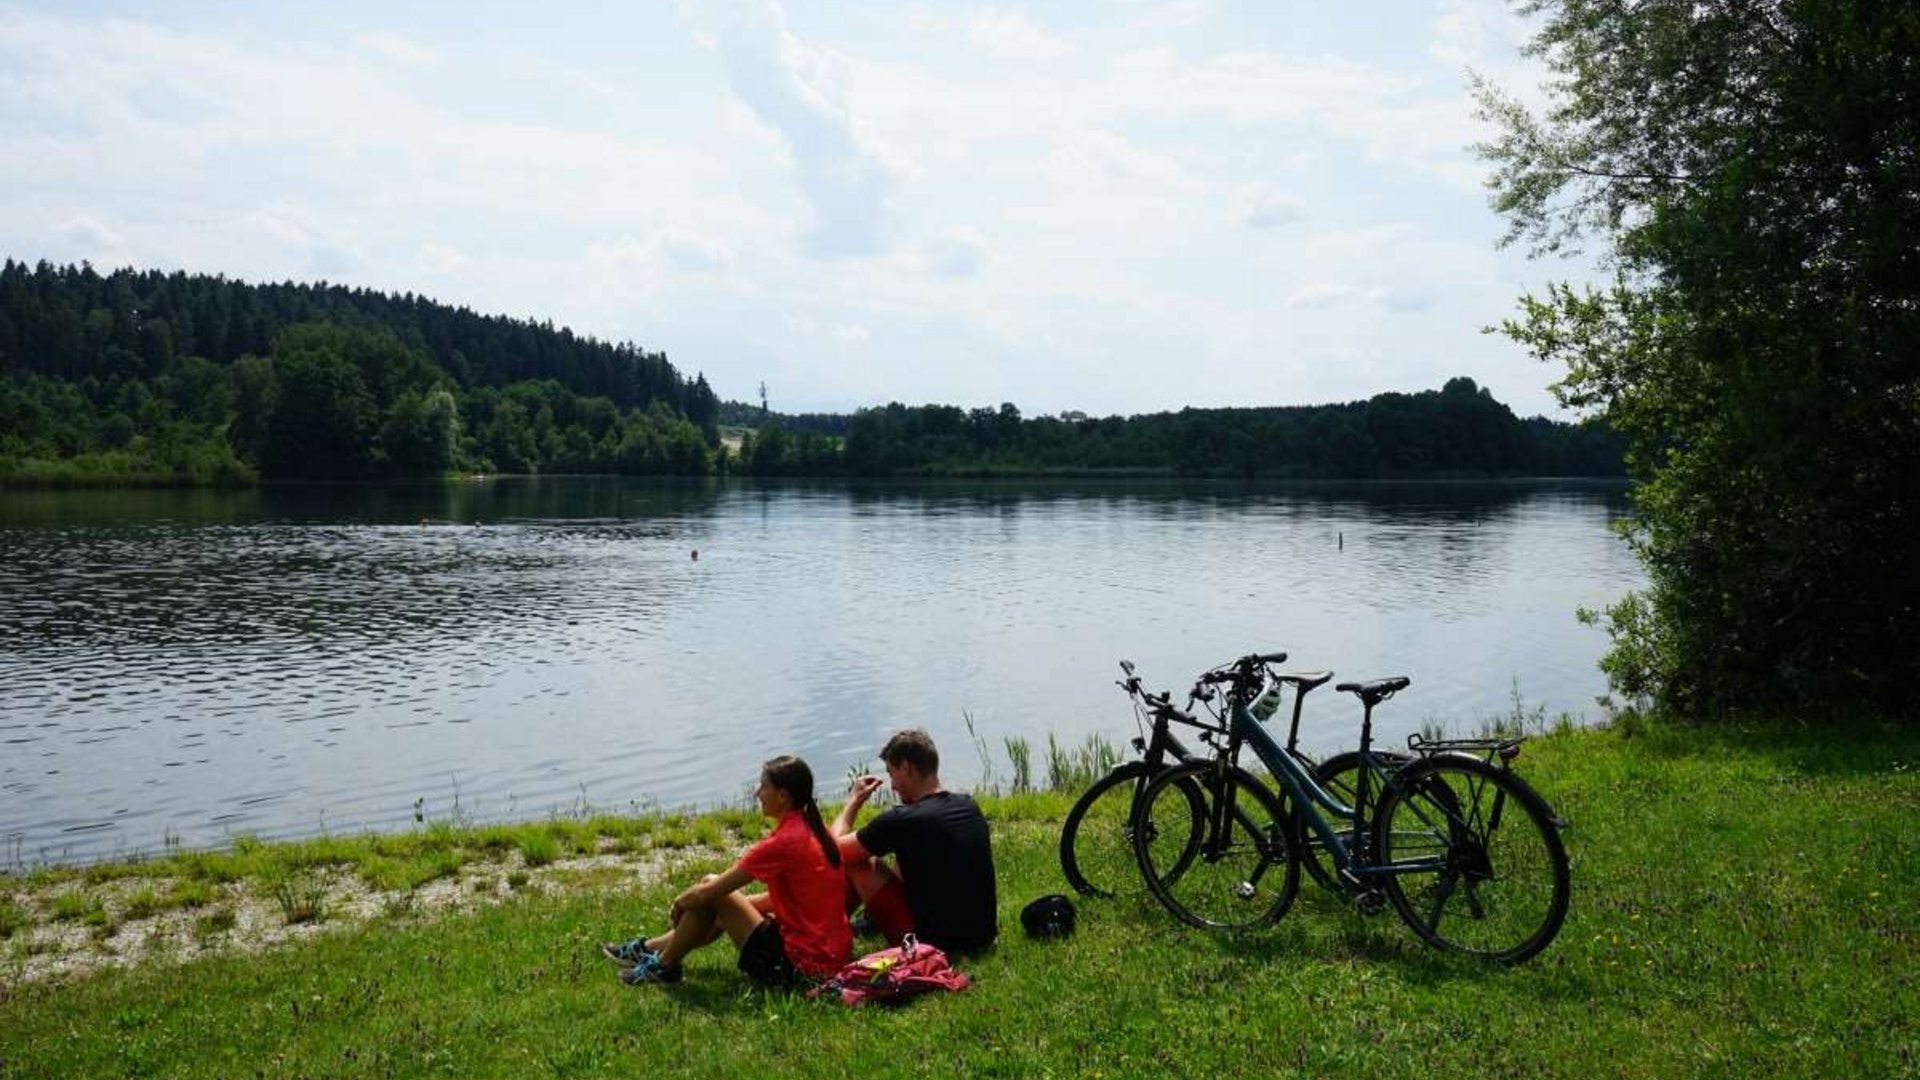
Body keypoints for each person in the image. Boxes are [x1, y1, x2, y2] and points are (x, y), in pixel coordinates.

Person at [601, 755, 851, 987]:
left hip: (800, 969)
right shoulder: (817, 830)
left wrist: (680, 903)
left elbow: (710, 892)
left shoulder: (784, 841)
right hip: (829, 959)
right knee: (719, 906)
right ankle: (650, 949)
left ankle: (664, 966)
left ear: (783, 796)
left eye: (763, 786)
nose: (757, 793)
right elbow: (783, 900)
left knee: (712, 891)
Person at [832, 728, 998, 955]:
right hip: (982, 936)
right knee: (908, 852)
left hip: (932, 945)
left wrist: (854, 801)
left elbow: (830, 851)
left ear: (906, 768)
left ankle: (825, 932)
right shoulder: (969, 805)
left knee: (858, 862)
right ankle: (859, 925)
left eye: (891, 774)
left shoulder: (903, 820)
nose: (892, 785)